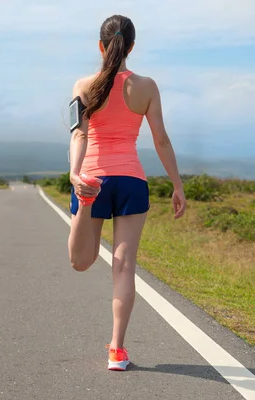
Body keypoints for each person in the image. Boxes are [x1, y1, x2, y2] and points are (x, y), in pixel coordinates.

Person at [67, 14, 186, 371]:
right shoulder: (147, 86)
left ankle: (84, 206)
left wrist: (75, 175)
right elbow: (160, 139)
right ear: (131, 47)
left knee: (81, 262)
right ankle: (117, 351)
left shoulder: (83, 85)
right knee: (124, 266)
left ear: (101, 46)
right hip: (132, 180)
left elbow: (79, 134)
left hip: (94, 178)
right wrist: (177, 185)